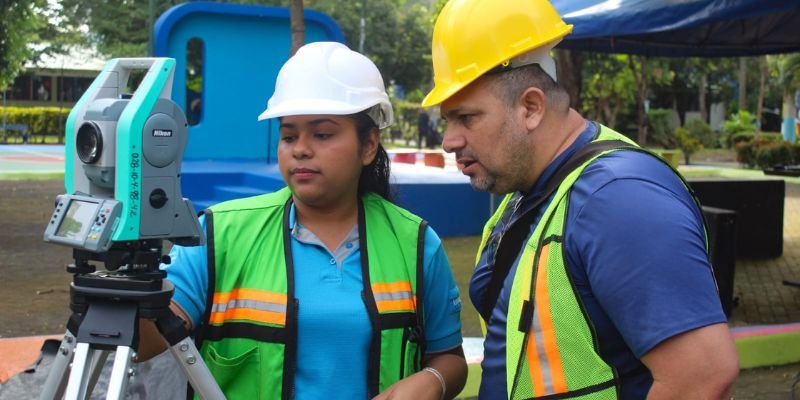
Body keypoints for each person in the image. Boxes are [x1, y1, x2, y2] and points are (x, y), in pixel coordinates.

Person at [420, 1, 739, 399]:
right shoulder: (532, 189)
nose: (449, 140)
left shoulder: (618, 197)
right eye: (447, 119)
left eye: (466, 117)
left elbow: (703, 375)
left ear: (531, 107)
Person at [139, 41, 467, 400]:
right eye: (289, 135)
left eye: (322, 134)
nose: (300, 149)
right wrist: (113, 308)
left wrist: (432, 380)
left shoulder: (415, 243)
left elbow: (449, 358)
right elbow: (149, 339)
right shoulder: (220, 233)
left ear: (369, 144)